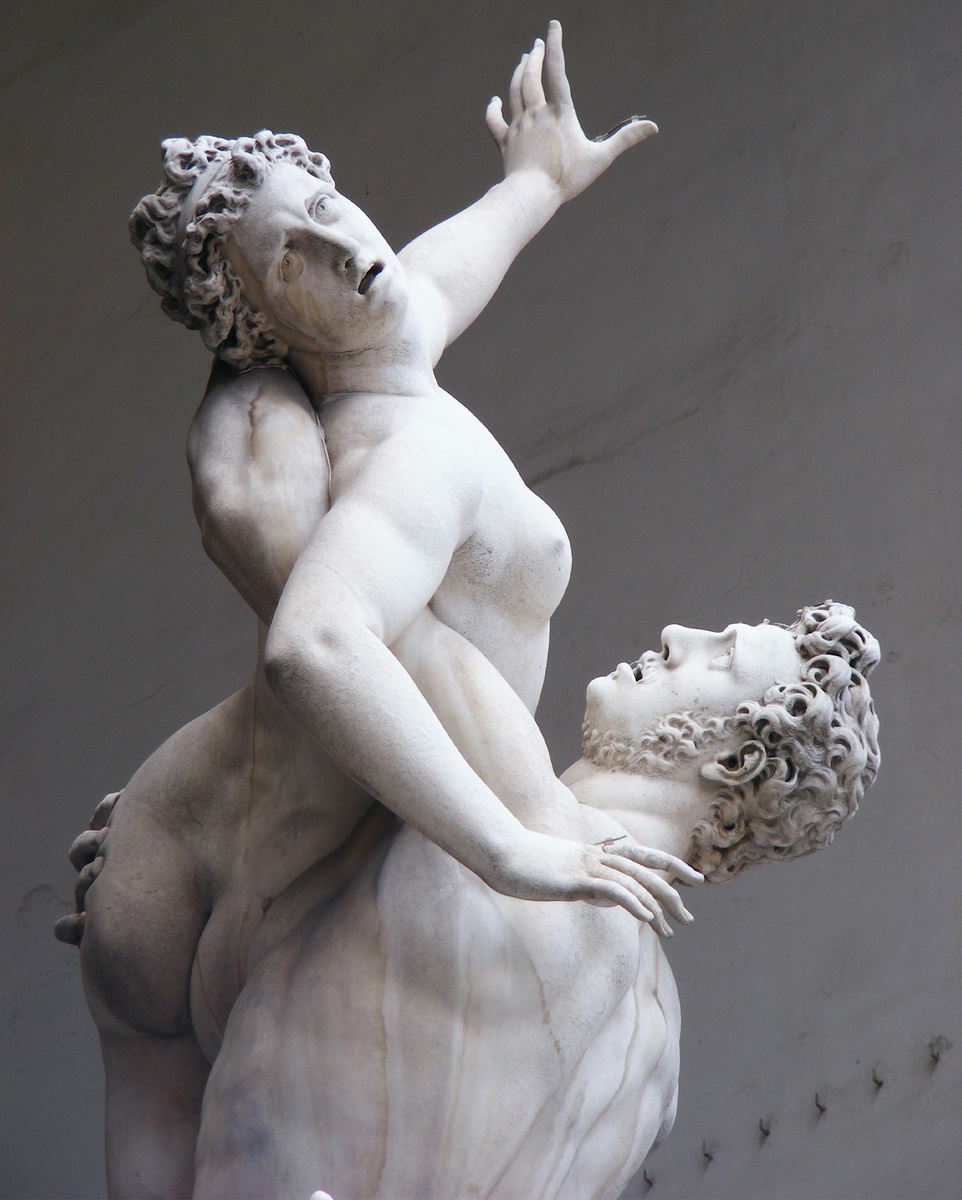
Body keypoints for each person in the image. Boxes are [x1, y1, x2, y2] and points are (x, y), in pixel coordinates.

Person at [189, 603, 880, 1200]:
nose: (677, 636)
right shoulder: (657, 1064)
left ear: (735, 763)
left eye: (722, 658)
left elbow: (324, 628)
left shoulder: (527, 814)